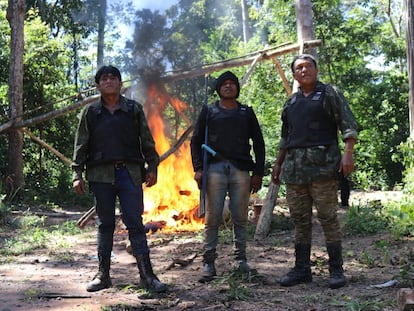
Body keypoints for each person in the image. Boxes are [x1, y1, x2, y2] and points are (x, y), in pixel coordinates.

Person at [72, 65, 167, 293]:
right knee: (105, 225)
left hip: (130, 173)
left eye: (113, 78)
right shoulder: (91, 112)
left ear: (120, 83)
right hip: (100, 175)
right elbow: (81, 144)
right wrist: (77, 173)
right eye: (103, 79)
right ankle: (102, 275)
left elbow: (146, 139)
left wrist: (152, 166)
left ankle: (147, 276)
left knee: (135, 223)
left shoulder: (133, 109)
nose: (108, 81)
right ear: (98, 85)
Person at [271, 54, 358, 289]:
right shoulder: (291, 103)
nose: (303, 70)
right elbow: (285, 137)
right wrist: (278, 164)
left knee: (328, 218)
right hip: (295, 170)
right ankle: (302, 269)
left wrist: (348, 152)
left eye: (308, 66)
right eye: (298, 68)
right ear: (294, 74)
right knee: (300, 220)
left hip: (323, 168)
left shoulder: (329, 93)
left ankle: (336, 270)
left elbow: (348, 124)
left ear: (316, 70)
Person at [190, 71, 265, 282]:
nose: (229, 86)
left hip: (241, 169)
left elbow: (259, 143)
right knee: (212, 217)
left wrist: (258, 172)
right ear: (219, 88)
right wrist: (198, 168)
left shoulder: (246, 112)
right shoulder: (209, 111)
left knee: (240, 217)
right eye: (225, 84)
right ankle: (209, 262)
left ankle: (241, 260)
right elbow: (195, 141)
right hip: (214, 169)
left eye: (233, 83)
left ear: (237, 88)